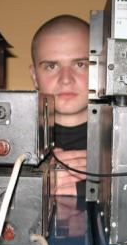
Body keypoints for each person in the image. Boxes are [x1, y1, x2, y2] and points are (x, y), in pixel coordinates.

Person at [29, 15, 89, 196]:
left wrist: (103, 189)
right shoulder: (7, 142)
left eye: (80, 64)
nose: (66, 79)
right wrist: (28, 187)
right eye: (52, 66)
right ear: (34, 76)